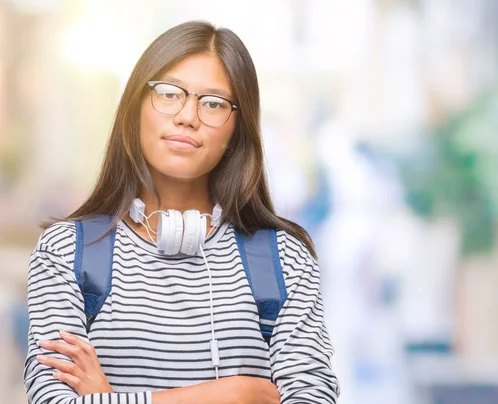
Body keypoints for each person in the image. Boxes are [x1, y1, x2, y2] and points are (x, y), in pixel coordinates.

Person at [23, 20, 340, 404]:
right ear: (135, 108)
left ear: (237, 130)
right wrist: (237, 394)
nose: (188, 115)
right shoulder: (66, 251)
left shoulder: (284, 259)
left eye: (213, 103)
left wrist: (108, 398)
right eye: (169, 93)